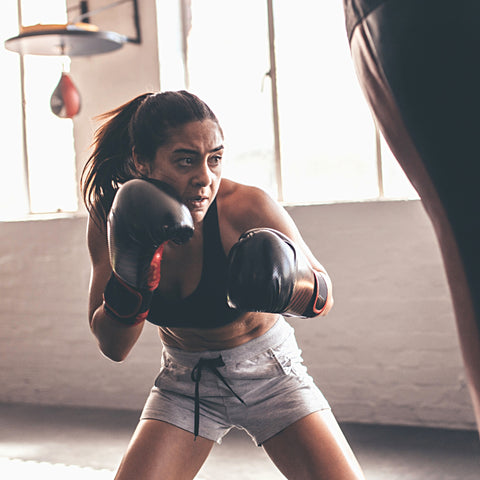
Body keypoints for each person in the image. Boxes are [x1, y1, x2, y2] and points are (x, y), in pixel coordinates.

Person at [81, 90, 365, 480]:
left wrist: (290, 284)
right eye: (185, 160)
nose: (205, 178)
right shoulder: (112, 220)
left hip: (272, 375)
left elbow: (324, 296)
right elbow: (114, 347)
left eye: (214, 159)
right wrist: (134, 274)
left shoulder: (245, 207)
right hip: (185, 381)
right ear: (140, 160)